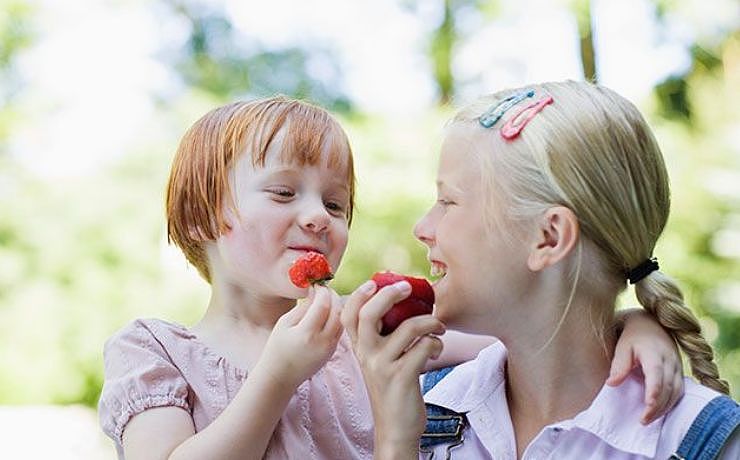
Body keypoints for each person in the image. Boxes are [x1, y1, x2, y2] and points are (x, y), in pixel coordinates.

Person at [98, 95, 685, 460]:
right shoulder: (154, 352)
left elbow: (537, 333)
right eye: (283, 193)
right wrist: (279, 375)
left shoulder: (365, 327)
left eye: (335, 205)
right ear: (203, 214)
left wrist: (629, 323)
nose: (316, 217)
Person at [342, 81, 739, 459]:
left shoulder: (703, 442)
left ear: (548, 238)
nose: (422, 229)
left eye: (448, 201)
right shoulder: (416, 409)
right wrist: (395, 443)